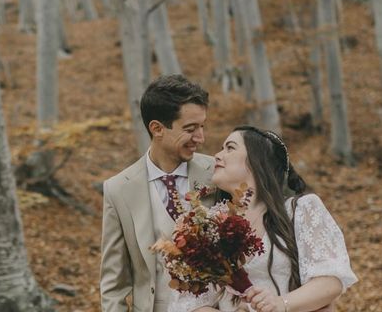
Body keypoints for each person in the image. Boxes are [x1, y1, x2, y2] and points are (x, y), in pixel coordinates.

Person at [168, 125, 358, 312]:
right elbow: (191, 303)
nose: (217, 155)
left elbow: (330, 281)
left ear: (257, 161)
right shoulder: (206, 226)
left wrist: (280, 303)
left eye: (230, 148)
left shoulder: (300, 210)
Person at [100, 75, 216, 312]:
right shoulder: (118, 189)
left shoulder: (217, 173)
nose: (200, 138)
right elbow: (114, 282)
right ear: (157, 128)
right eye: (190, 129)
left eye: (202, 126)